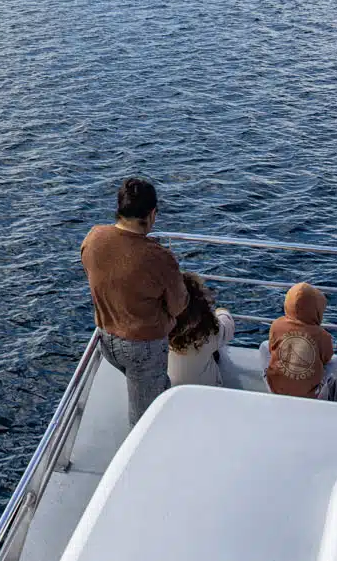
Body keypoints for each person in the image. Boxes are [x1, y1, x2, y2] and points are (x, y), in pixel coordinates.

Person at [81, 177, 189, 425]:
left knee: (158, 391)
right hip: (143, 348)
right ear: (152, 214)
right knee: (144, 421)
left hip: (106, 340)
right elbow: (178, 305)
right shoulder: (159, 257)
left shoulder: (93, 238)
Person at [265, 282, 335, 397]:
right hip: (310, 394)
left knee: (264, 345)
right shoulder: (323, 335)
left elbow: (271, 348)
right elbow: (327, 359)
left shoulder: (277, 325)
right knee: (336, 361)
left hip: (276, 389)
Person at [166, 273, 236, 388]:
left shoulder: (160, 333)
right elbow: (229, 327)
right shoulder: (210, 334)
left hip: (171, 390)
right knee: (218, 350)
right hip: (206, 389)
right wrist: (221, 311)